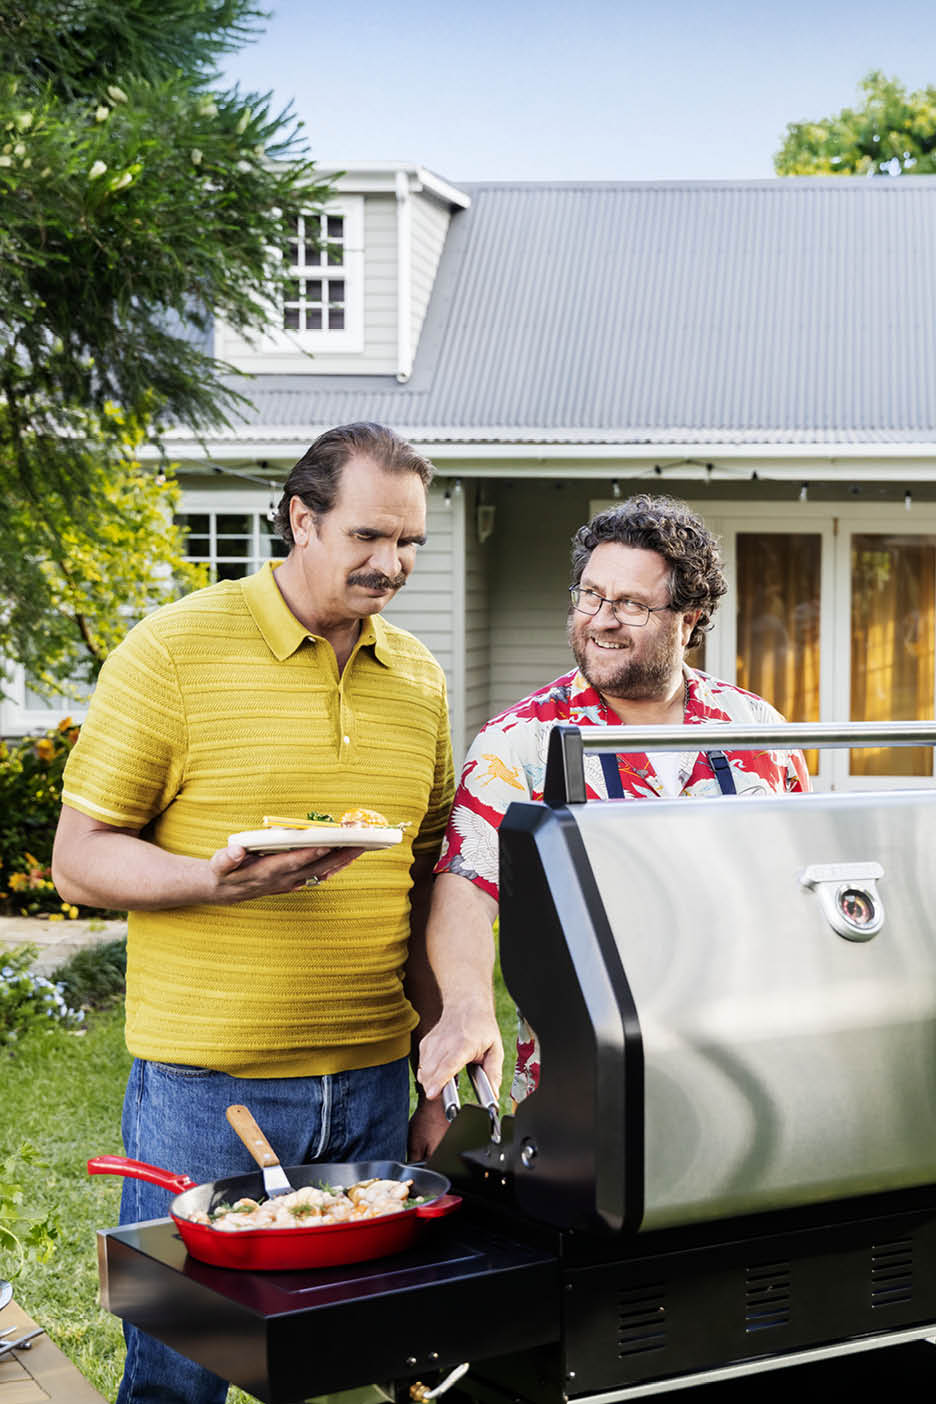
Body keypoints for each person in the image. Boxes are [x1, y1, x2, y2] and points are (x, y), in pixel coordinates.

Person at [52, 422, 454, 1404]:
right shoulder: (174, 652)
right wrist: (213, 882)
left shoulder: (421, 682)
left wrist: (437, 1068)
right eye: (367, 536)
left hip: (369, 1078)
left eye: (408, 544)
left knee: (364, 1358)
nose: (390, 564)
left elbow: (431, 875)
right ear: (300, 519)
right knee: (182, 1371)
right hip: (205, 1087)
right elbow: (78, 860)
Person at [417, 493, 809, 1113]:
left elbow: (797, 883)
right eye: (590, 595)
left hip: (745, 1070)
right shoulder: (520, 742)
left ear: (689, 618)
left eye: (630, 603)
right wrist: (467, 1007)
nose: (600, 619)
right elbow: (466, 885)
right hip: (580, 1079)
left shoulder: (755, 726)